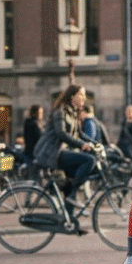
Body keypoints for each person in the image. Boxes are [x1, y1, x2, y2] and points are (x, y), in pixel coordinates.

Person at [33, 85, 95, 220]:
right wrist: (82, 145)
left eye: (84, 95)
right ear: (72, 96)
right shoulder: (60, 111)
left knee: (68, 186)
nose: (84, 98)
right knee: (89, 160)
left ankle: (68, 220)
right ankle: (73, 191)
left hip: (61, 152)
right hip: (52, 153)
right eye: (81, 95)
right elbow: (61, 133)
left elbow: (79, 133)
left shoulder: (73, 112)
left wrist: (96, 144)